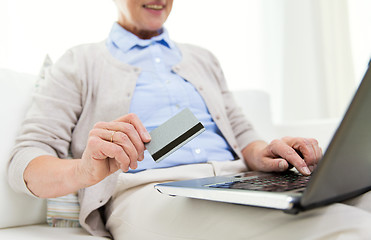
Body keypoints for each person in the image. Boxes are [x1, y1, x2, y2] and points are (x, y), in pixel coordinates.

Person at [8, 0, 371, 239]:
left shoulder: (203, 59)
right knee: (345, 229)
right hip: (151, 191)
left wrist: (265, 152)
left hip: (240, 180)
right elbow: (24, 162)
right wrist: (83, 172)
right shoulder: (80, 61)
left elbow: (243, 132)